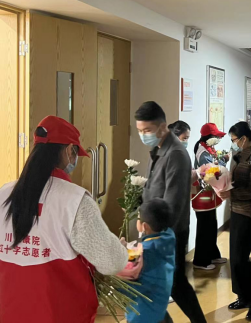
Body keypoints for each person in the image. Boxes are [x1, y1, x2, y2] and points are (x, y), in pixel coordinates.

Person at [0, 116, 128, 323]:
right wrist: (119, 249)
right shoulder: (74, 200)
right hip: (59, 313)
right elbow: (111, 262)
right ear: (69, 151)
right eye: (76, 153)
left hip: (10, 311)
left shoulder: (4, 193)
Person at [136, 102, 206, 323]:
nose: (143, 135)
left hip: (168, 233)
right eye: (140, 131)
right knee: (167, 284)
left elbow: (172, 204)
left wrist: (153, 233)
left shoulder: (175, 154)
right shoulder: (159, 149)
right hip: (154, 230)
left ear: (162, 126)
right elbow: (153, 187)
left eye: (147, 130)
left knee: (175, 284)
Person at [222, 122, 251, 321]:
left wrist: (232, 193)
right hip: (237, 210)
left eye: (234, 140)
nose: (233, 143)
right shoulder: (242, 155)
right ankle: (242, 296)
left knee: (241, 259)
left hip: (248, 211)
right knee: (235, 257)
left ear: (243, 138)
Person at [121, 199, 176, 323]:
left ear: (144, 226)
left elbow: (127, 275)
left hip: (142, 314)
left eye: (138, 218)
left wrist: (121, 251)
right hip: (159, 307)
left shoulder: (145, 253)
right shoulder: (169, 237)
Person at [192, 123, 228, 270]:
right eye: (216, 136)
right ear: (209, 137)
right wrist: (223, 161)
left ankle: (213, 254)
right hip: (203, 195)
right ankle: (200, 260)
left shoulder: (208, 149)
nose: (218, 139)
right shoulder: (203, 152)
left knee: (211, 225)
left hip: (209, 194)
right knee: (204, 227)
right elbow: (211, 170)